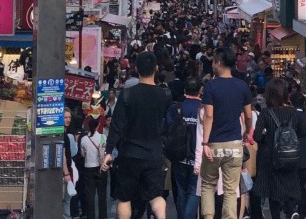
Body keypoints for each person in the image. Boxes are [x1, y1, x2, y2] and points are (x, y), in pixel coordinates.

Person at [102, 50, 172, 219]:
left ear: (136, 69)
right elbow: (166, 124)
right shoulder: (165, 95)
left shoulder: (127, 94)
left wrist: (109, 151)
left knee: (125, 198)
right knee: (156, 196)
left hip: (130, 153)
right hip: (154, 153)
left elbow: (116, 126)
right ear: (156, 68)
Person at [201, 46, 254, 219]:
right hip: (234, 144)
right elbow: (248, 115)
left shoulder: (211, 86)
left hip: (214, 144)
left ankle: (208, 217)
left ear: (219, 63)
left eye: (214, 62)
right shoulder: (242, 86)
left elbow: (209, 115)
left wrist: (205, 142)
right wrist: (247, 132)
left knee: (208, 185)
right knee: (231, 189)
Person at [252, 78, 303, 219]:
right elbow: (301, 132)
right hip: (290, 155)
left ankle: (276, 216)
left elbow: (256, 136)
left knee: (273, 192)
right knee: (290, 185)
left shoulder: (266, 113)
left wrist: (267, 137)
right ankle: (291, 211)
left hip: (271, 157)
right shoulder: (293, 112)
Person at [172, 77, 202, 219]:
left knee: (181, 191)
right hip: (198, 158)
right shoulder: (204, 109)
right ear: (200, 91)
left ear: (185, 91)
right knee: (194, 192)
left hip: (179, 157)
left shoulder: (176, 108)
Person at [81, 116, 108, 219]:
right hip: (101, 168)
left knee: (90, 196)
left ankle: (90, 216)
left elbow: (83, 154)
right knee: (102, 195)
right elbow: (105, 152)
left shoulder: (84, 139)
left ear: (88, 127)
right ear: (98, 126)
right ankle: (103, 216)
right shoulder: (102, 137)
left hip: (88, 169)